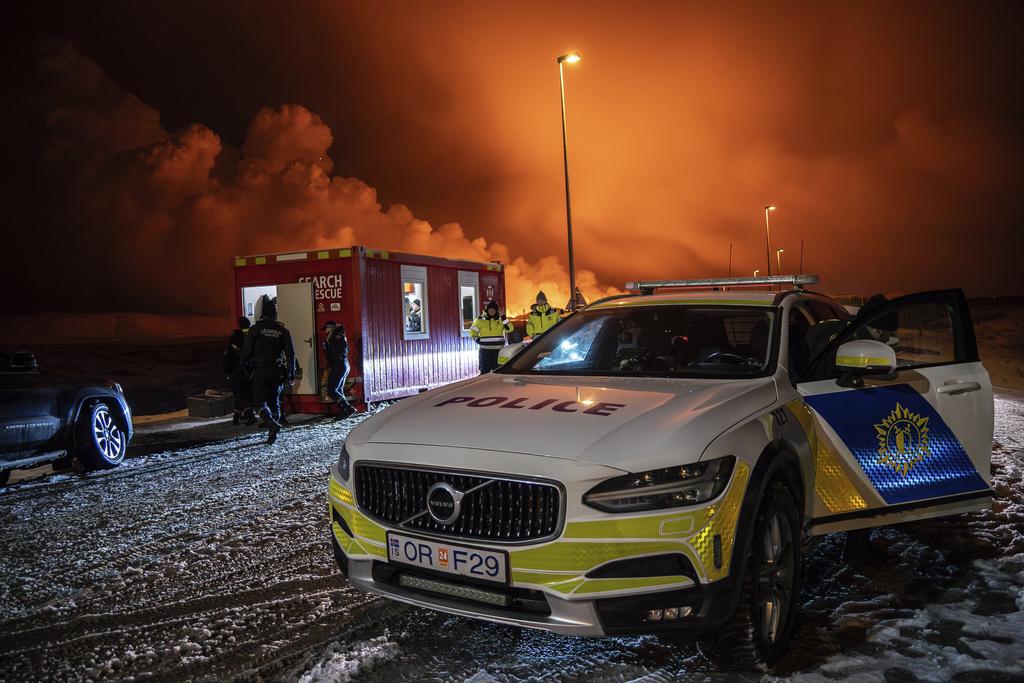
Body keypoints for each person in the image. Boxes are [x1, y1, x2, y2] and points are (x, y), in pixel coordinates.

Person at [240, 296, 296, 445]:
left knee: (258, 402)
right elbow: (291, 354)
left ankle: (272, 424)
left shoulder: (255, 329)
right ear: (275, 314)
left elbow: (246, 351)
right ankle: (273, 433)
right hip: (277, 370)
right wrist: (291, 373)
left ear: (262, 314)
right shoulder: (283, 330)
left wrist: (241, 366)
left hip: (261, 370)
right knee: (274, 401)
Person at [224, 317, 255, 425]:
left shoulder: (234, 337)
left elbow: (228, 357)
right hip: (251, 371)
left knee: (240, 394)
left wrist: (227, 371)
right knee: (245, 394)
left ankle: (244, 416)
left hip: (237, 370)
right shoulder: (253, 335)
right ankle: (240, 417)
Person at [323, 320, 356, 419]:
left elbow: (332, 355)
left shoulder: (335, 338)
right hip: (343, 365)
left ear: (330, 328)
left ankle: (348, 408)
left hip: (339, 365)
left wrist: (327, 348)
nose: (325, 331)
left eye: (326, 329)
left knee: (331, 390)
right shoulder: (339, 336)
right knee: (338, 390)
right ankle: (344, 411)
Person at [470, 300, 512, 373]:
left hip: (499, 351)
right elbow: (472, 332)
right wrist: (477, 340)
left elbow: (510, 329)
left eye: (493, 310)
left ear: (496, 311)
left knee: (498, 371)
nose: (492, 311)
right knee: (484, 372)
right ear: (487, 310)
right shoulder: (480, 320)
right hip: (485, 351)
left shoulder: (501, 319)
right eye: (490, 310)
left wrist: (503, 317)